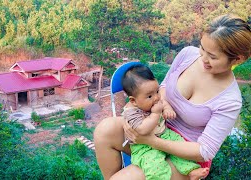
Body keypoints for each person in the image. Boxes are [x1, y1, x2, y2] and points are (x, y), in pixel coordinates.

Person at [94, 14, 251, 180]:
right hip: (157, 126)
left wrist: (150, 141)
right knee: (105, 130)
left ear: (237, 59)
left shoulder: (230, 100)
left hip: (186, 156)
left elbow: (204, 151)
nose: (203, 58)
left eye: (212, 57)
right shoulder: (187, 55)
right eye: (202, 48)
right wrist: (139, 114)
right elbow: (162, 88)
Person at [121, 64, 209, 180]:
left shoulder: (155, 100)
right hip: (144, 146)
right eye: (149, 96)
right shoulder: (132, 112)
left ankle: (191, 171)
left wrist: (167, 109)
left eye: (157, 91)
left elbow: (163, 102)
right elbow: (142, 129)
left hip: (165, 135)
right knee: (154, 166)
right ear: (134, 101)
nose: (156, 97)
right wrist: (156, 114)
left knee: (181, 148)